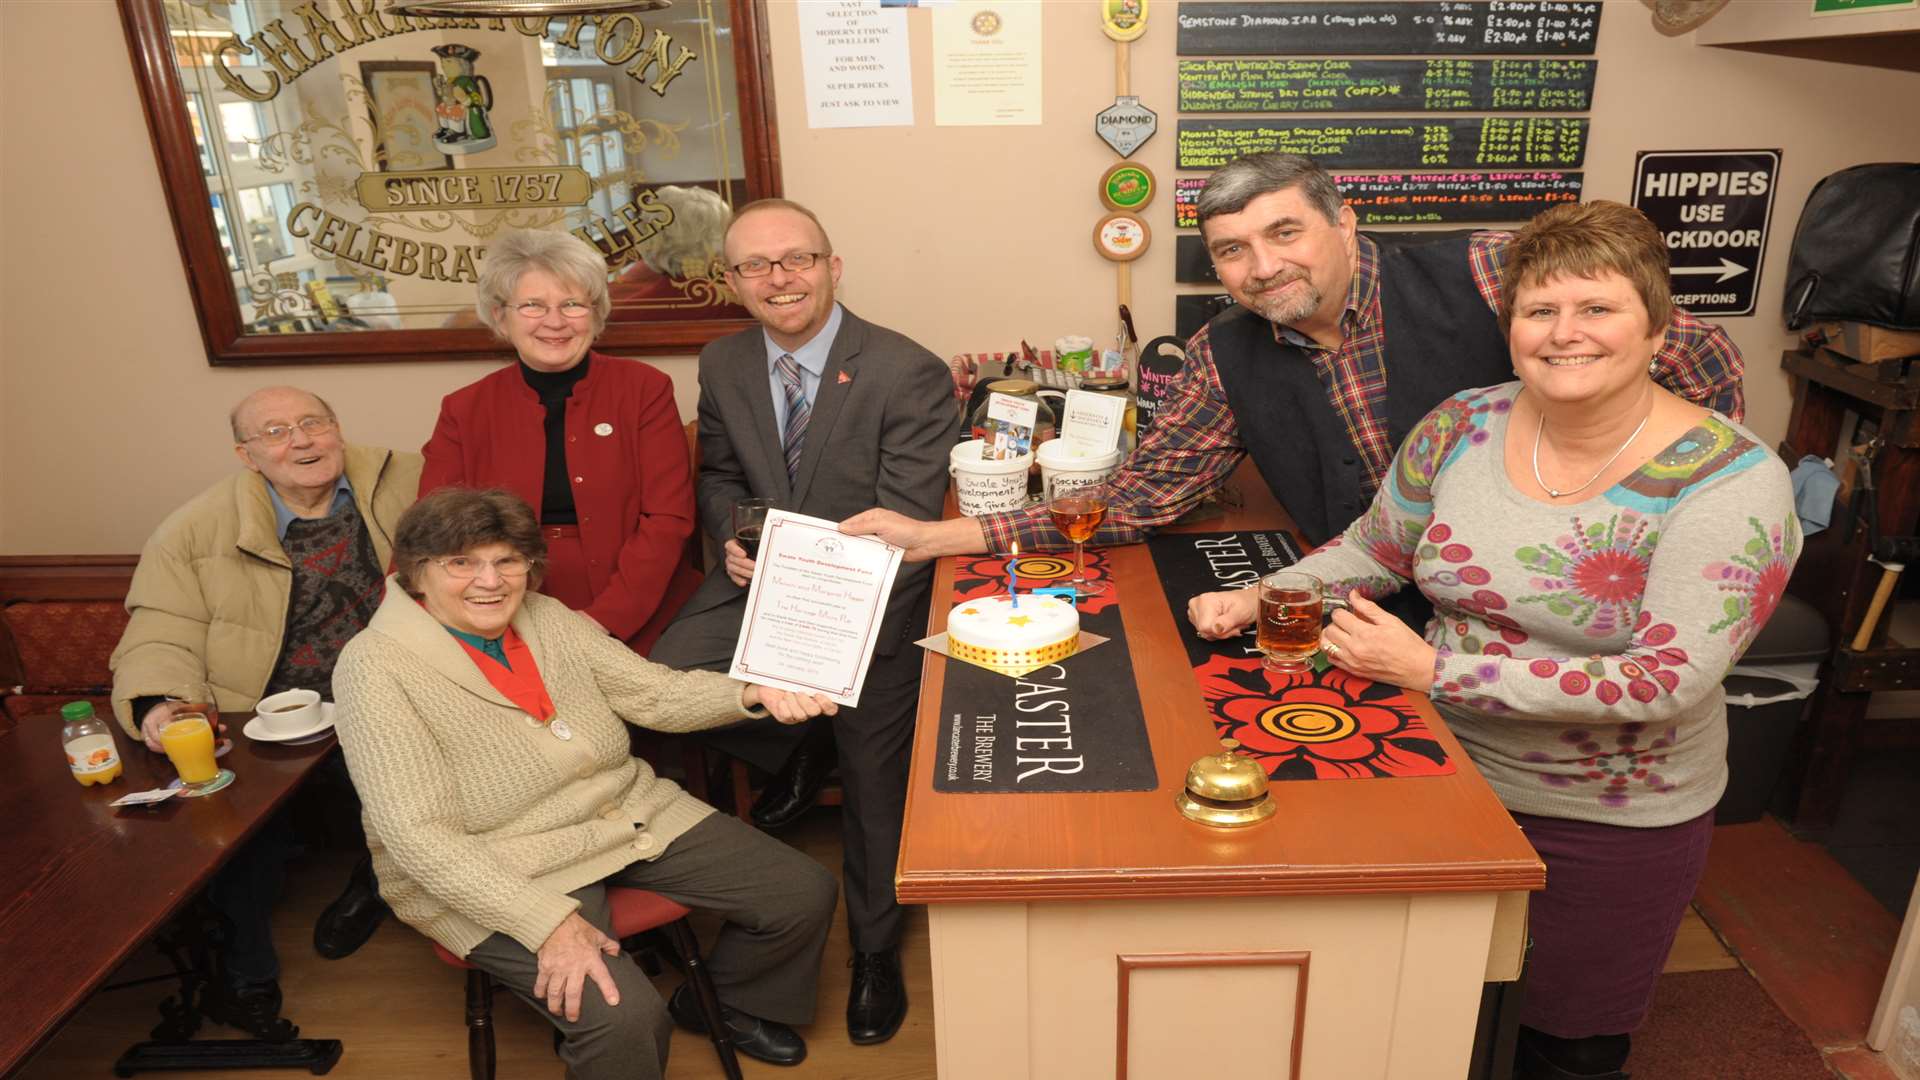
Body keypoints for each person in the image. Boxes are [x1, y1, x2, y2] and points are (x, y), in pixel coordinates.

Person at [1187, 201, 1799, 1080]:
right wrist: (1263, 595)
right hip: (1434, 770)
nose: (1563, 334)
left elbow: (1666, 681)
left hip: (1605, 814)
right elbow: (1375, 546)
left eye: (1598, 309)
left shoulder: (1732, 483)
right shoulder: (1464, 422)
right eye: (1538, 312)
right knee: (1414, 1016)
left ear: (1660, 328)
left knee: (1563, 1044)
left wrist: (1433, 669)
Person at [841, 152, 1744, 562]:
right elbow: (1144, 496)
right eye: (1233, 250)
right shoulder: (1223, 353)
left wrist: (1642, 521)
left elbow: (1693, 353)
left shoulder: (1481, 269)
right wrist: (939, 536)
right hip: (1365, 604)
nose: (1261, 265)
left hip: (1543, 603)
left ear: (1346, 222)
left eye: (1285, 233)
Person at [331, 488, 839, 1078]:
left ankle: (730, 1003)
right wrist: (542, 921)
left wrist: (749, 693)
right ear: (418, 572)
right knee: (624, 1022)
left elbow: (651, 693)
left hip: (619, 812)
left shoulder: (547, 617)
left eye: (507, 560)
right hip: (502, 858)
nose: (489, 582)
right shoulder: (374, 666)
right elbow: (418, 837)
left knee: (801, 892)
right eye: (461, 563)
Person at [649, 197, 960, 1045]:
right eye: (757, 266)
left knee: (873, 785)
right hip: (757, 590)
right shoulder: (724, 362)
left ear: (832, 267)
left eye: (797, 260)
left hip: (875, 603)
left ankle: (875, 953)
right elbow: (717, 473)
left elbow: (906, 519)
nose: (779, 278)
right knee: (659, 689)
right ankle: (796, 740)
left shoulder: (908, 370)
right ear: (734, 280)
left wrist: (821, 635)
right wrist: (732, 537)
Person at [109, 386, 422, 1038]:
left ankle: (378, 880)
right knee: (232, 834)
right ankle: (244, 977)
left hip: (398, 697)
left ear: (338, 429)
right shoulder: (194, 530)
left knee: (426, 788)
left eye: (313, 423)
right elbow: (159, 632)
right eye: (276, 432)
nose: (301, 441)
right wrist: (160, 704)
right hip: (266, 718)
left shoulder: (409, 479)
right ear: (246, 455)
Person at [421, 228, 700, 656]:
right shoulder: (464, 409)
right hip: (502, 607)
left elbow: (668, 519)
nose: (555, 322)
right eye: (532, 305)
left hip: (643, 603)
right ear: (500, 316)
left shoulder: (644, 389)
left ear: (596, 313)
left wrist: (604, 620)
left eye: (572, 304)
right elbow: (432, 532)